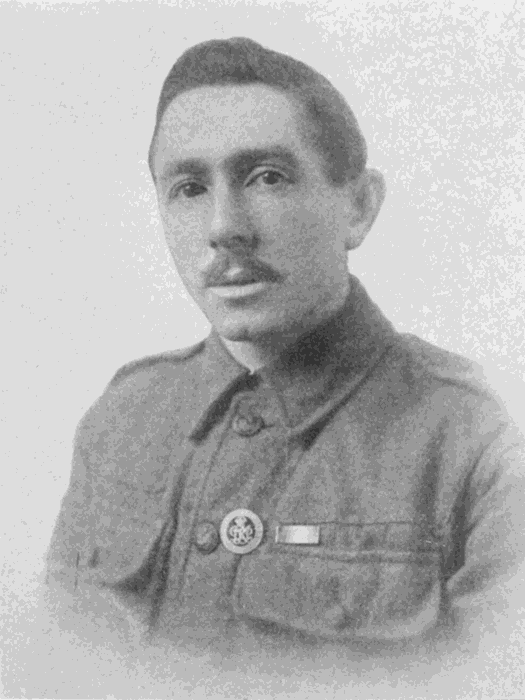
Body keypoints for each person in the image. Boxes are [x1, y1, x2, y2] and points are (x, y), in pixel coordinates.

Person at [45, 37, 525, 670]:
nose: (225, 227)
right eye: (189, 188)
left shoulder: (477, 439)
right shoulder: (121, 421)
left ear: (359, 207)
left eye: (267, 177)